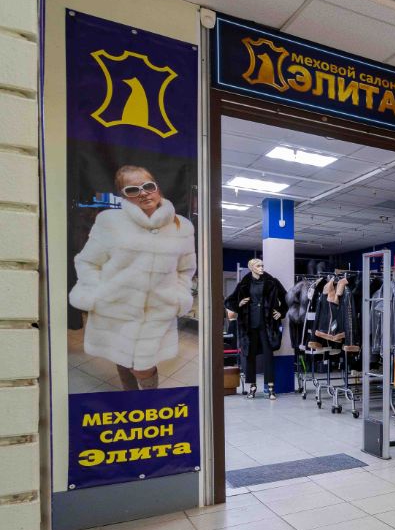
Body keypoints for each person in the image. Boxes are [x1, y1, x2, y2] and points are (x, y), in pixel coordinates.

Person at [69, 165, 197, 390]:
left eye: (148, 186)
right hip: (116, 309)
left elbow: (185, 269)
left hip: (158, 310)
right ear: (124, 196)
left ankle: (149, 403)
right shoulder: (109, 221)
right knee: (123, 359)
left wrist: (179, 297)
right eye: (133, 190)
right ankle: (130, 399)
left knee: (143, 367)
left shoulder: (182, 226)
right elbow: (88, 261)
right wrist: (97, 295)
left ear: (157, 187)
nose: (143, 193)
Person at [225, 259, 287, 399]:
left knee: (268, 355)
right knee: (250, 356)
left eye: (262, 265)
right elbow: (228, 301)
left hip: (267, 325)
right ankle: (252, 387)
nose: (261, 268)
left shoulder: (272, 282)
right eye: (258, 266)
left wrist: (281, 312)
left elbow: (286, 298)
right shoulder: (244, 284)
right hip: (249, 325)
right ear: (251, 268)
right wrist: (239, 304)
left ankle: (271, 387)